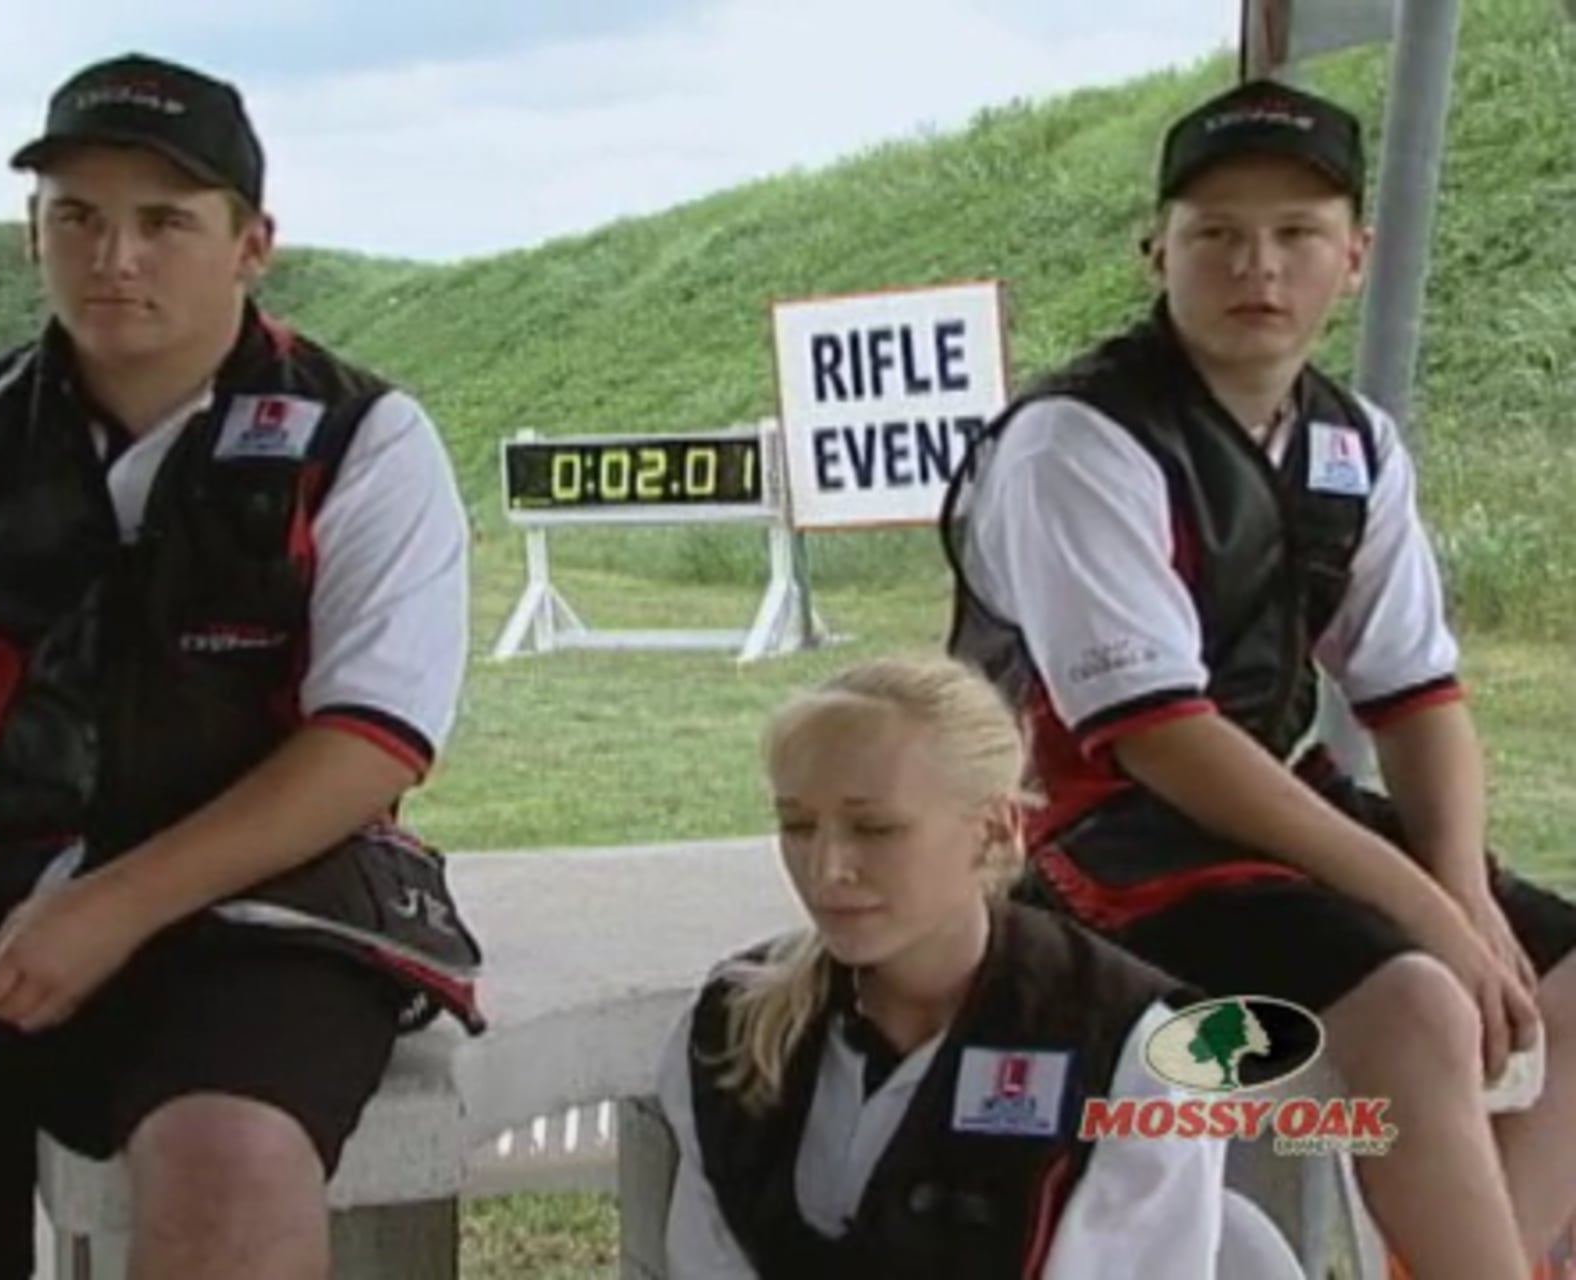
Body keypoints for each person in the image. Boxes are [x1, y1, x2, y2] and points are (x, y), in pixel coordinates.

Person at [0, 51, 481, 1280]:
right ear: (31, 233)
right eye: (79, 217)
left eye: (165, 220)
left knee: (232, 1171)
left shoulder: (365, 440)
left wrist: (115, 904)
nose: (116, 256)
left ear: (251, 243)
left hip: (267, 905)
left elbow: (369, 739)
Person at [942, 76, 1576, 1279]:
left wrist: (1462, 882)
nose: (1259, 266)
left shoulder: (1354, 442)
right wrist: (1432, 913)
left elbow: (1416, 695)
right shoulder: (1079, 437)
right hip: (1071, 831)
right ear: (1157, 251)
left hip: (1257, 811)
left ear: (1355, 253)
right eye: (1217, 235)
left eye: (1297, 234)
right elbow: (1157, 738)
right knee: (1418, 1000)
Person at [655, 655, 1227, 1278]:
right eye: (797, 826)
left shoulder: (1132, 1053)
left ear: (994, 830)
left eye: (875, 828)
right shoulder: (728, 1032)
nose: (827, 869)